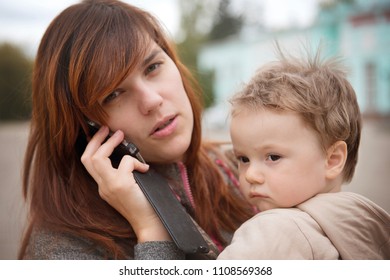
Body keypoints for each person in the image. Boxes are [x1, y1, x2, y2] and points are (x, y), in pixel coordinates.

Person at [18, 0, 254, 260]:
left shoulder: (240, 165)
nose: (151, 100)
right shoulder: (63, 248)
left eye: (153, 67)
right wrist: (151, 231)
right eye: (113, 94)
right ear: (85, 126)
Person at [218, 46, 390, 260]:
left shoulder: (272, 233)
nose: (250, 174)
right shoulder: (357, 223)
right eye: (243, 159)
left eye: (273, 157)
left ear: (332, 160)